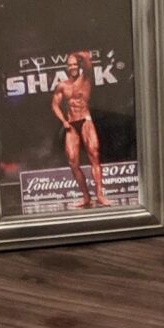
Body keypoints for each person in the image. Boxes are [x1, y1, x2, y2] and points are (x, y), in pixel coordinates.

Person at [50, 51, 107, 210]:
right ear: (66, 67)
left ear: (79, 66)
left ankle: (100, 195)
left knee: (94, 156)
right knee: (72, 161)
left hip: (85, 121)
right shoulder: (62, 86)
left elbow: (87, 59)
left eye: (75, 64)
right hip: (71, 124)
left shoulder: (86, 78)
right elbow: (54, 105)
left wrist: (76, 54)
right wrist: (63, 121)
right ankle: (86, 197)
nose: (73, 67)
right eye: (70, 65)